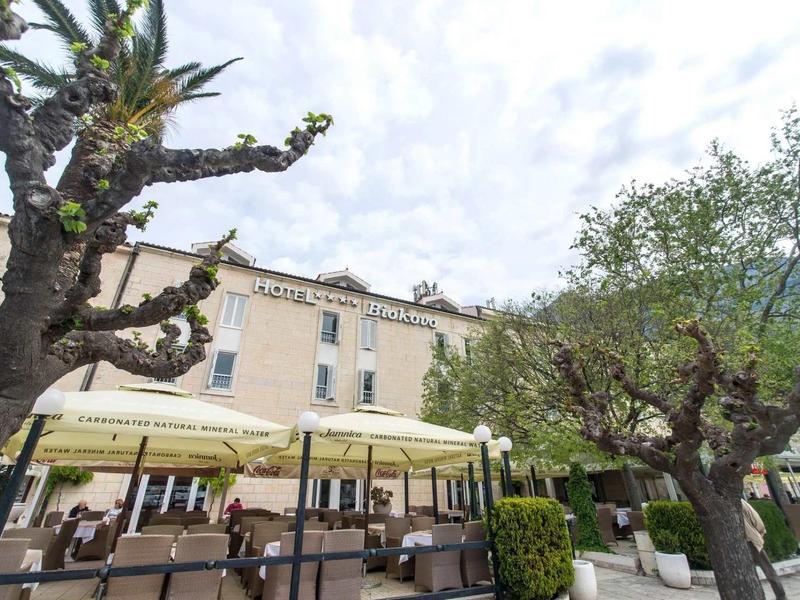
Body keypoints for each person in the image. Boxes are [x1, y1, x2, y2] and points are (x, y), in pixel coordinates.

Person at [742, 499, 786, 600]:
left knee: (768, 571)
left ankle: (781, 597)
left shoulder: (740, 502)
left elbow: (755, 518)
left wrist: (761, 533)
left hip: (751, 541)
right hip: (741, 543)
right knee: (749, 574)